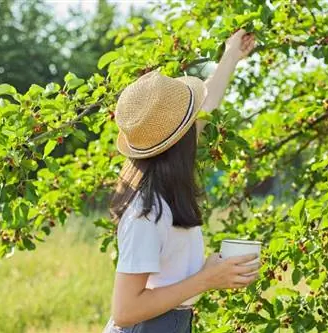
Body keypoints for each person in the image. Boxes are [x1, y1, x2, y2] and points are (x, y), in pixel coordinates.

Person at [103, 29, 258, 333]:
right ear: (181, 140)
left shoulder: (162, 179)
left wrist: (232, 54)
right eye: (192, 121)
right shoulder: (147, 213)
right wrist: (207, 279)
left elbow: (207, 104)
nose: (198, 123)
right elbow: (124, 311)